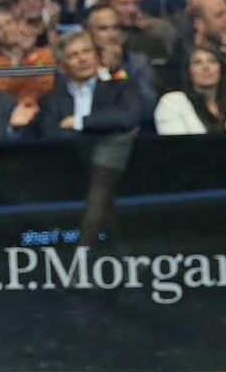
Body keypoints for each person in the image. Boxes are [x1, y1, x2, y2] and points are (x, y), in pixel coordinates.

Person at [39, 32, 146, 246]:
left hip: (121, 170)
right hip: (71, 169)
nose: (82, 58)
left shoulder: (120, 87)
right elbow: (51, 134)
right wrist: (101, 127)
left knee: (116, 144)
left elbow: (127, 117)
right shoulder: (52, 100)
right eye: (73, 55)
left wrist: (80, 122)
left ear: (96, 56)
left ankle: (83, 255)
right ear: (62, 66)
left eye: (87, 51)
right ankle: (121, 257)